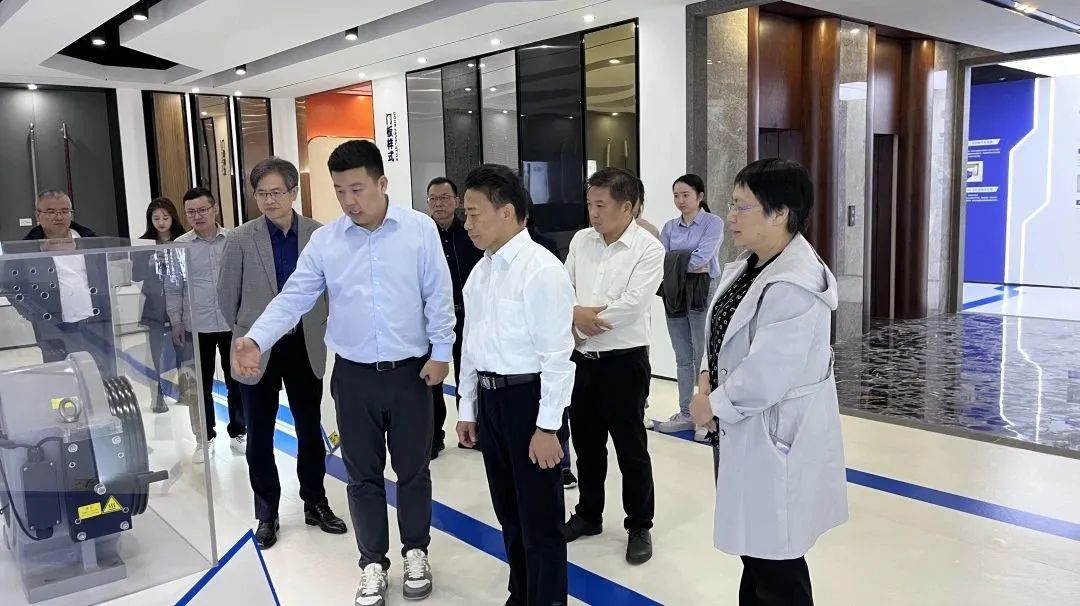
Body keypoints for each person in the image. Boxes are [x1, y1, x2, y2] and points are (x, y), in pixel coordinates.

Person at [232, 140, 454, 606]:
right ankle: (372, 562)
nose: (349, 201)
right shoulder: (327, 241)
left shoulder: (418, 230)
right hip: (353, 377)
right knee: (362, 476)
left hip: (411, 375)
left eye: (357, 189)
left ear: (382, 183)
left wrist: (441, 352)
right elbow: (294, 297)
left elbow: (438, 295)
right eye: (339, 191)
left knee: (413, 472)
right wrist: (256, 338)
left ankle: (416, 551)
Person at [689, 159, 847, 606]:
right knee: (756, 550)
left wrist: (712, 405)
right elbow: (720, 329)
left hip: (772, 434)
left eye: (742, 206)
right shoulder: (750, 266)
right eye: (731, 205)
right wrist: (705, 373)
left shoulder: (795, 283)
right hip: (741, 428)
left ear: (780, 214)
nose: (731, 217)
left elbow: (767, 374)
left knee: (777, 561)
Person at [456, 164, 574, 606]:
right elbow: (471, 346)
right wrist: (467, 407)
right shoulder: (481, 272)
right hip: (491, 403)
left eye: (474, 214)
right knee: (509, 513)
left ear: (506, 212)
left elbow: (558, 357)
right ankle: (521, 594)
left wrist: (548, 427)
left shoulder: (540, 269)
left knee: (540, 521)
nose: (467, 224)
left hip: (530, 402)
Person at [217, 157, 347, 549]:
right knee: (259, 433)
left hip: (304, 344)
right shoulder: (240, 239)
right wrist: (250, 333)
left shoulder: (318, 235)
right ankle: (267, 512)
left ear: (293, 192)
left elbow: (330, 290)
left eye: (276, 192)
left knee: (309, 428)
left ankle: (315, 501)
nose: (269, 200)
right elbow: (226, 299)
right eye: (262, 193)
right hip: (256, 349)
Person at [562, 168, 664, 565]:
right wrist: (575, 315)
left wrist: (582, 322)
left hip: (624, 364)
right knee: (587, 446)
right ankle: (589, 514)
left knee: (630, 448)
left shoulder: (648, 249)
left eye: (601, 205)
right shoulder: (581, 241)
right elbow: (564, 288)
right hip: (582, 362)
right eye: (590, 204)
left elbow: (633, 305)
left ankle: (639, 524)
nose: (593, 213)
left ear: (627, 207)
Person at [0, 190, 116, 378]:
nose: (59, 217)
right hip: (54, 326)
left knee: (102, 374)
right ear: (38, 215)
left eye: (64, 211)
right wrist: (34, 315)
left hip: (96, 322)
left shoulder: (91, 241)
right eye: (51, 212)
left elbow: (106, 276)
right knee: (63, 378)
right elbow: (12, 286)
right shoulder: (24, 248)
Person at [170, 188, 246, 464]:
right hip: (195, 324)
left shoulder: (234, 240)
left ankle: (239, 432)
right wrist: (176, 321)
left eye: (203, 210)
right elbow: (173, 286)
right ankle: (204, 437)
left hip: (230, 323)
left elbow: (245, 280)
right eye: (191, 212)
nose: (197, 216)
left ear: (215, 209)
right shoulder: (180, 245)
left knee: (237, 381)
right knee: (197, 387)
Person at [654, 174, 724, 438]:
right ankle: (685, 413)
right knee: (682, 357)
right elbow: (660, 259)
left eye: (685, 195)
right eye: (676, 195)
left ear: (700, 196)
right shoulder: (670, 227)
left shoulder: (712, 223)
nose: (680, 200)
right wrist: (684, 261)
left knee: (703, 357)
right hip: (674, 293)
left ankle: (705, 417)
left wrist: (675, 260)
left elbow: (702, 258)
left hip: (701, 292)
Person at [426, 176, 483, 457]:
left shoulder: (471, 234)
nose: (439, 204)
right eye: (434, 199)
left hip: (467, 316)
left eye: (445, 197)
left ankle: (470, 432)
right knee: (432, 379)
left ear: (457, 201)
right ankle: (434, 436)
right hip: (432, 320)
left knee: (468, 373)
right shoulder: (423, 236)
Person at [133, 197, 185, 413]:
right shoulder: (143, 243)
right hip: (154, 304)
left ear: (173, 217)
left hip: (181, 302)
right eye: (156, 218)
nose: (161, 222)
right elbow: (135, 275)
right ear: (150, 220)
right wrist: (149, 262)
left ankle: (185, 389)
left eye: (165, 217)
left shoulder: (183, 240)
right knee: (155, 350)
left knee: (182, 347)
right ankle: (158, 395)